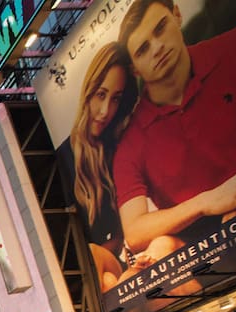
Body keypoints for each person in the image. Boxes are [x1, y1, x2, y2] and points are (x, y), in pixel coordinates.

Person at [114, 0, 236, 258]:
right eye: (143, 49)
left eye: (160, 28)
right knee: (159, 250)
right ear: (135, 68)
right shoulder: (130, 144)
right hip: (205, 256)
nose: (157, 48)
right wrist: (207, 201)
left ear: (177, 15)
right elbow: (134, 232)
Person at [56, 42, 180, 291]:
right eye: (101, 95)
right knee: (102, 270)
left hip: (147, 249)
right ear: (88, 92)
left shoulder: (125, 143)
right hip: (113, 260)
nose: (105, 111)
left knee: (114, 278)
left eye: (115, 99)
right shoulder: (66, 156)